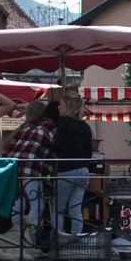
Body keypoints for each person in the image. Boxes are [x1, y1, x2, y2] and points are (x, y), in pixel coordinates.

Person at [4, 100, 54, 228]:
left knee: (18, 206)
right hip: (31, 171)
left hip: (14, 171)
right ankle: (30, 237)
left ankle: (17, 237)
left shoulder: (23, 130)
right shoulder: (47, 129)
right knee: (37, 205)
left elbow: (5, 146)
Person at [51, 95, 94, 238]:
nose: (58, 107)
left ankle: (58, 241)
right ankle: (75, 241)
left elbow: (57, 145)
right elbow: (89, 153)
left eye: (61, 105)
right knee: (75, 209)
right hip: (83, 171)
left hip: (67, 169)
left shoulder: (64, 122)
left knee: (58, 209)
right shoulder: (85, 126)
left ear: (68, 107)